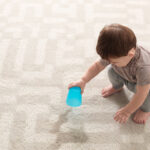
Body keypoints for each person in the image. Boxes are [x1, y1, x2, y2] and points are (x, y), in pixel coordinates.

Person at [68, 23, 150, 124]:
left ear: (130, 54)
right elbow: (98, 66)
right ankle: (117, 86)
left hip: (144, 86)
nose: (109, 62)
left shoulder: (144, 68)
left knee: (146, 97)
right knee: (111, 70)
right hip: (127, 75)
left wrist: (128, 110)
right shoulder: (116, 53)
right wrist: (83, 80)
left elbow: (141, 93)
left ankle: (146, 110)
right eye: (108, 60)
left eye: (114, 61)